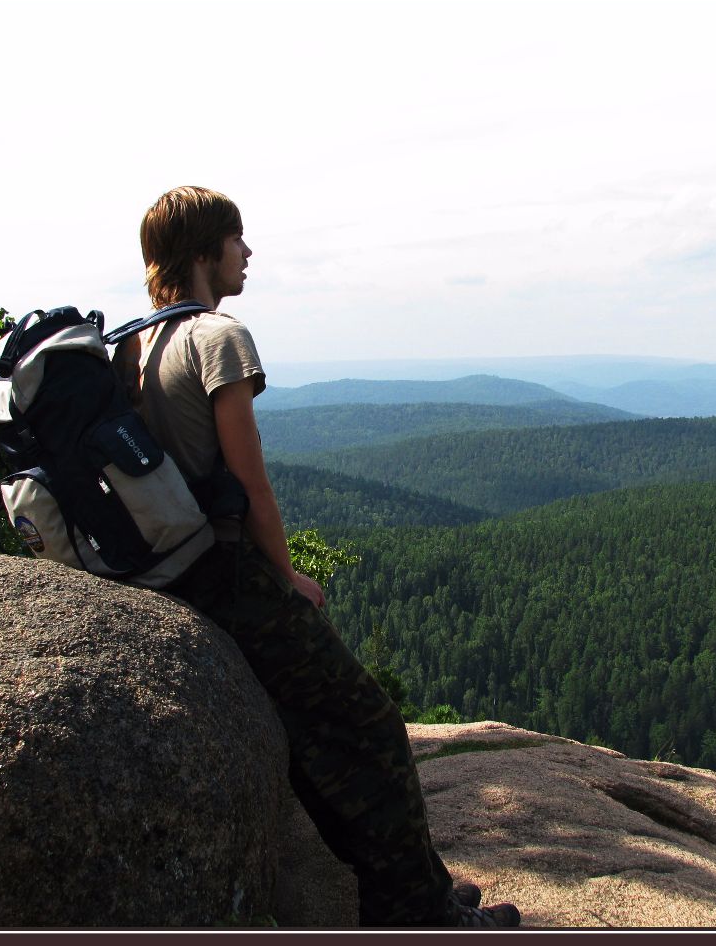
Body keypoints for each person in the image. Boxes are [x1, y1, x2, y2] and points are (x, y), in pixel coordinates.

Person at [112, 186, 521, 928]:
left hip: (170, 575)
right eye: (238, 241)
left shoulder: (135, 345)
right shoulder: (219, 336)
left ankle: (417, 884)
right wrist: (285, 573)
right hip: (230, 577)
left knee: (320, 741)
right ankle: (421, 914)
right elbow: (248, 476)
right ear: (206, 252)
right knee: (369, 725)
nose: (249, 254)